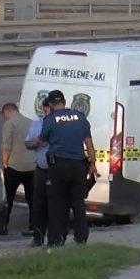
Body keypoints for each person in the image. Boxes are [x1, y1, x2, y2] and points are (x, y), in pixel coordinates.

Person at [39, 90, 97, 246]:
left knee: (57, 203)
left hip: (58, 166)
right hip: (78, 166)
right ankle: (81, 238)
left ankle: (56, 239)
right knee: (78, 203)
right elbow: (89, 143)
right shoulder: (80, 117)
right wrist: (93, 164)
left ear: (50, 104)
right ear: (64, 102)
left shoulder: (50, 119)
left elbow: (42, 140)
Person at [0, 102, 35, 233]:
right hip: (32, 166)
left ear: (7, 111)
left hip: (14, 166)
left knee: (8, 197)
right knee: (32, 198)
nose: (4, 117)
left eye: (4, 114)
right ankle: (33, 226)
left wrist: (5, 163)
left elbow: (6, 146)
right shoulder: (31, 123)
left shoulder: (9, 124)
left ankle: (3, 226)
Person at [24, 99, 52, 247]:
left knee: (55, 204)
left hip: (56, 170)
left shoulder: (58, 124)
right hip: (41, 168)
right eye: (45, 108)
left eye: (50, 108)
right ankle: (38, 236)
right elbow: (27, 143)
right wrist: (37, 143)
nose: (47, 110)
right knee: (38, 204)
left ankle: (55, 237)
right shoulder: (37, 124)